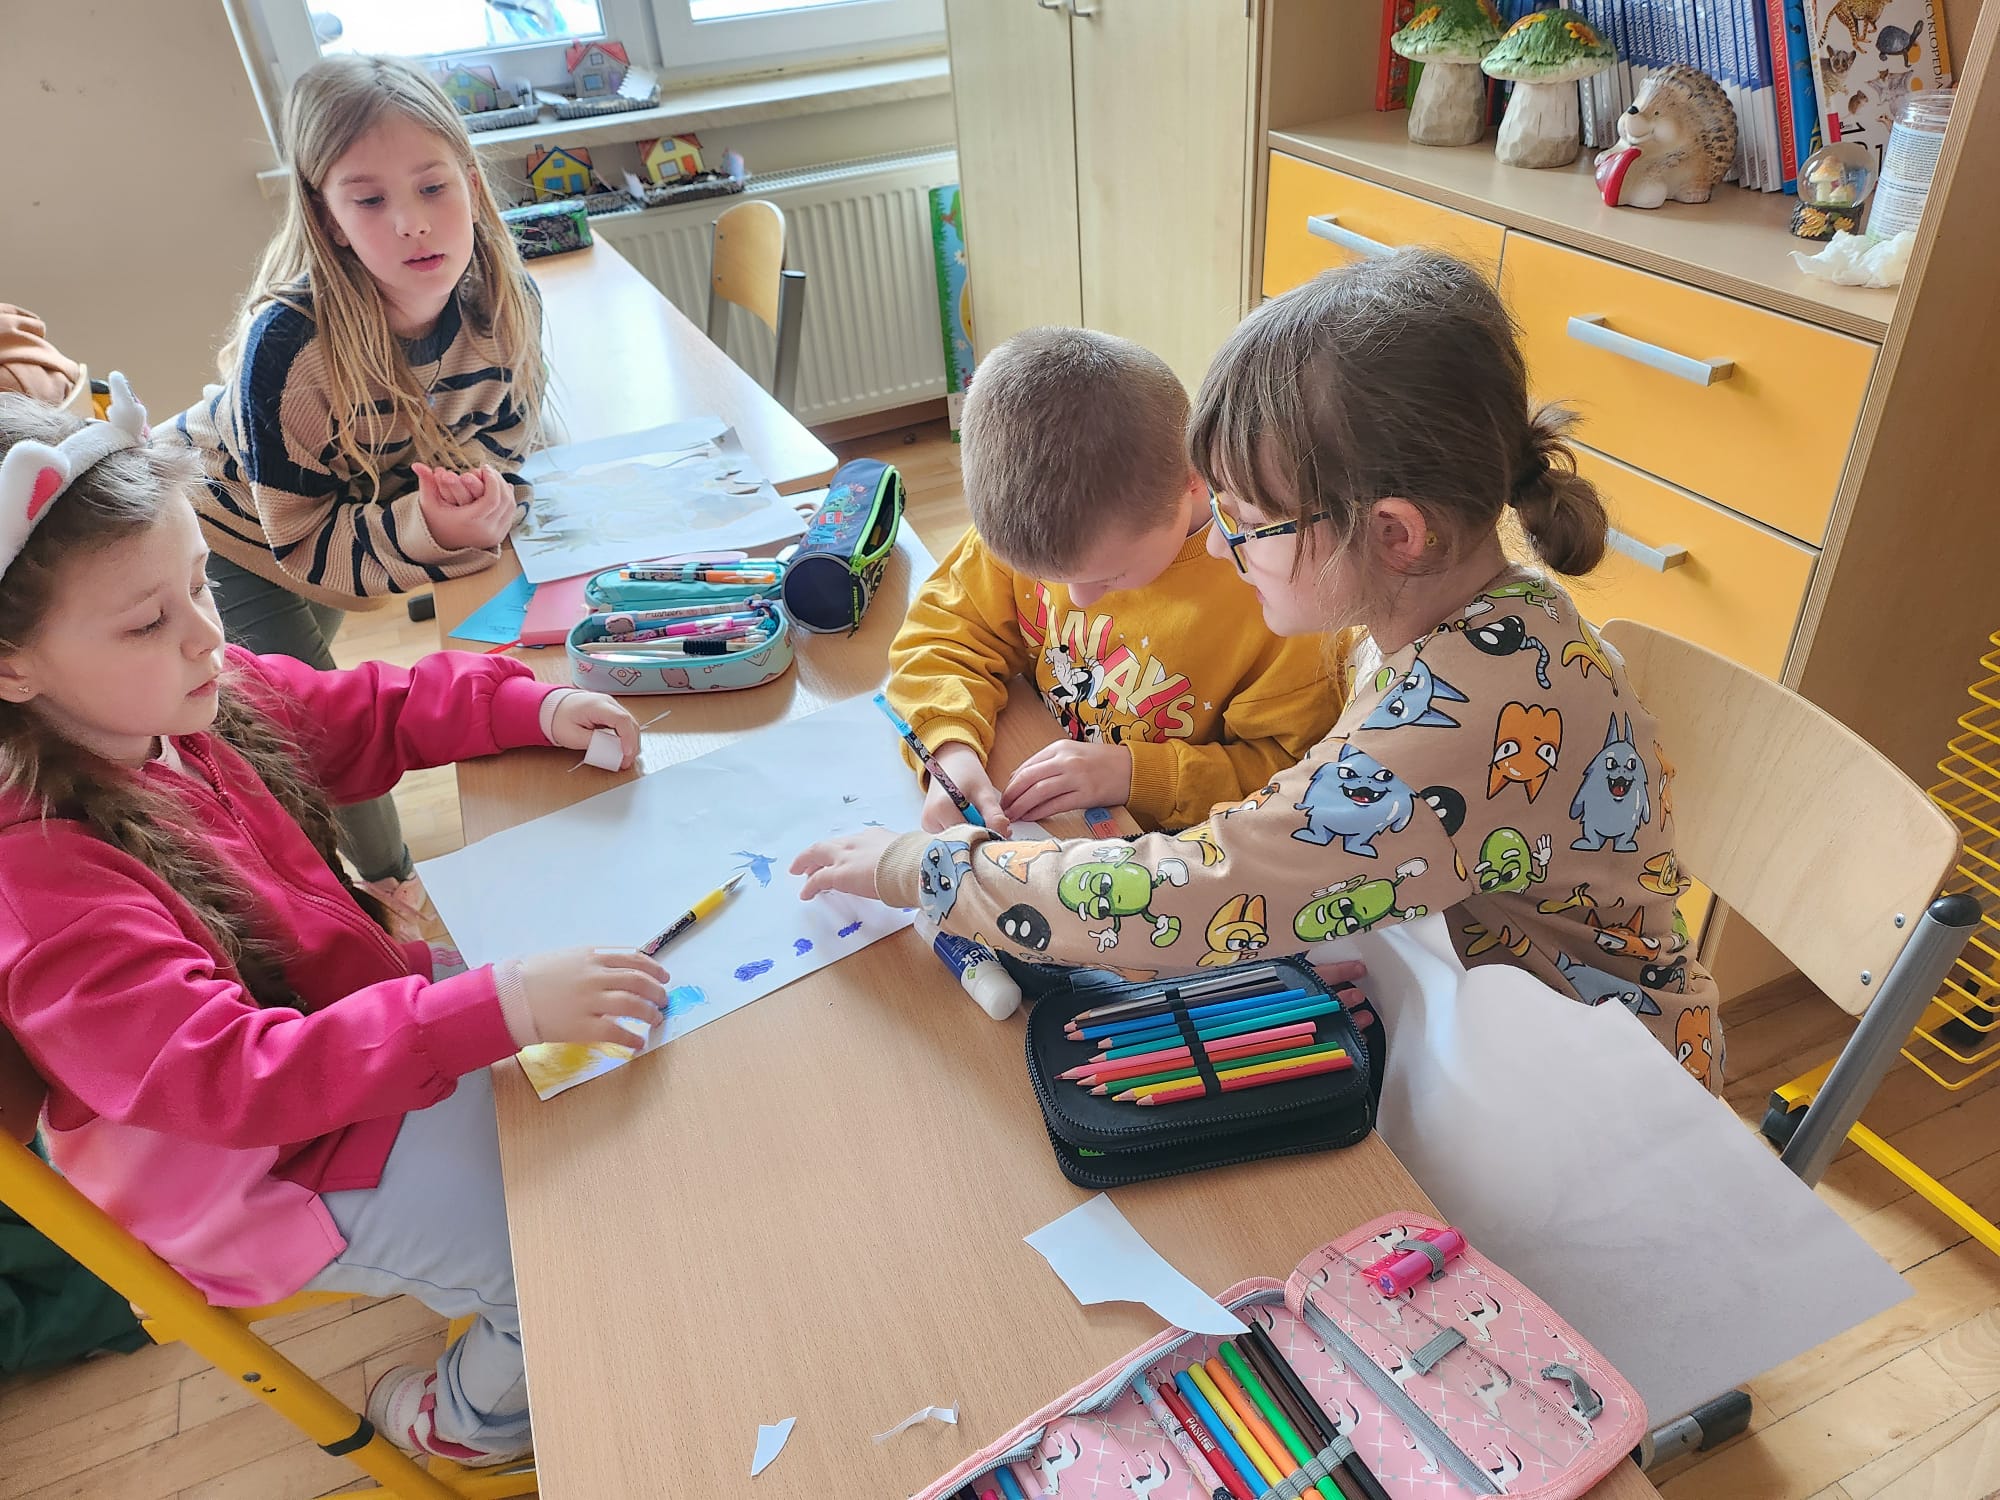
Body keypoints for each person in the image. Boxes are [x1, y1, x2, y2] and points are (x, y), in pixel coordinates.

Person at [796, 252, 1722, 1090]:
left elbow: (1204, 886)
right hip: (1478, 1021)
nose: (1221, 548)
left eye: (1245, 521)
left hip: (1596, 1105)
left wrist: (928, 869)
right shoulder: (1457, 615)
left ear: (1393, 533)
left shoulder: (1465, 707)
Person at [0, 386, 668, 1465]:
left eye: (200, 585)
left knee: (592, 1042)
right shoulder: (39, 885)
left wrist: (525, 706)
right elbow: (231, 1079)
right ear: (9, 666)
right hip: (253, 1173)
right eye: (148, 622)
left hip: (348, 1024)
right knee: (553, 1254)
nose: (207, 637)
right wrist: (494, 1008)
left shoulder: (177, 698)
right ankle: (465, 1423)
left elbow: (357, 712)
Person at [167, 55, 544, 927]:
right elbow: (302, 541)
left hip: (340, 519)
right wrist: (423, 531)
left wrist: (489, 503)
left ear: (472, 184)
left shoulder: (506, 299)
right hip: (224, 534)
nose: (413, 222)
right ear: (328, 219)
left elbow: (506, 449)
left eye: (433, 186)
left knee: (308, 703)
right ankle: (390, 886)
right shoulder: (288, 345)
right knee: (301, 725)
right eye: (369, 201)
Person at [885, 326, 1344, 836]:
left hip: (1167, 849)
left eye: (1110, 576)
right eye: (1049, 580)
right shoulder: (1050, 529)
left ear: (1192, 479)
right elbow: (946, 633)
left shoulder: (1280, 595)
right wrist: (949, 748)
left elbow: (1287, 773)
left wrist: (1134, 774)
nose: (1079, 599)